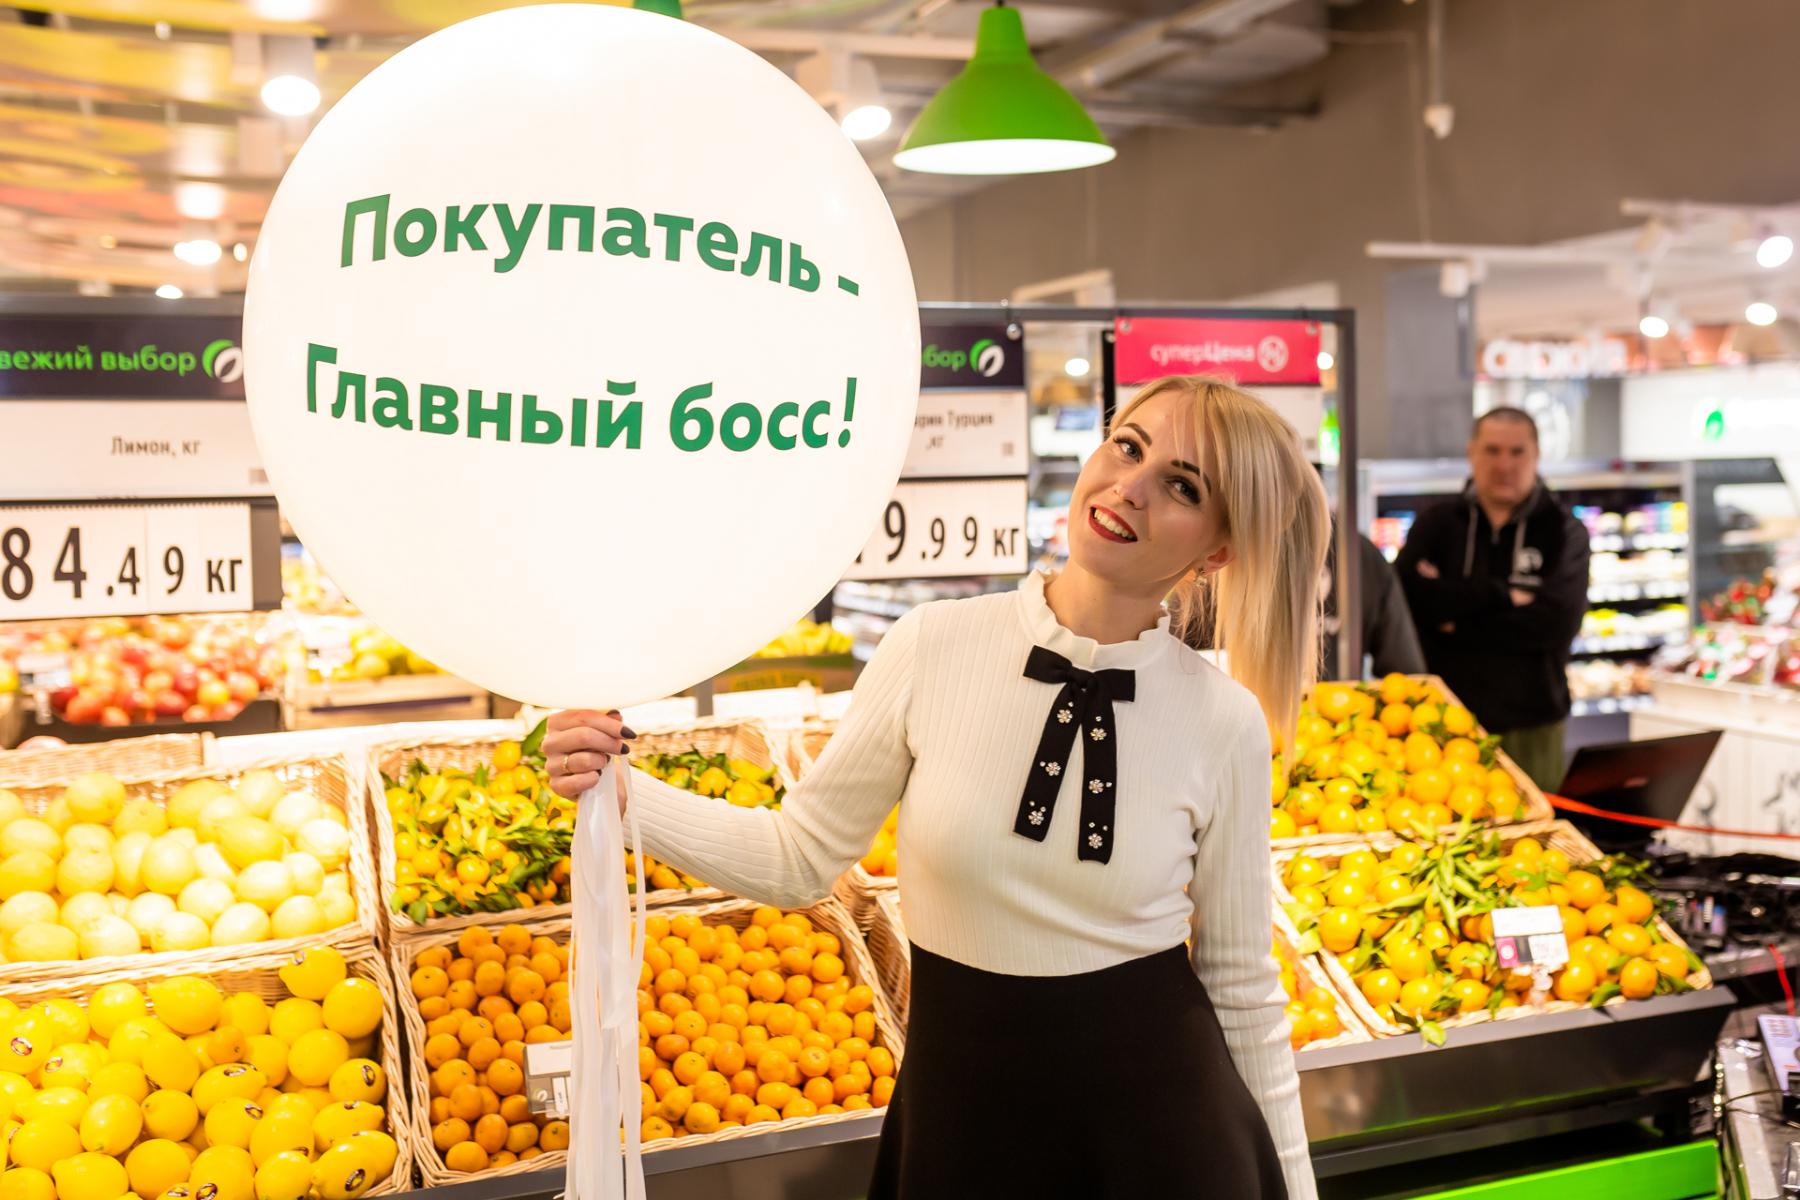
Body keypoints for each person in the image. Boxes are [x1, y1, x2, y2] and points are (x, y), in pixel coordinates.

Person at [547, 375, 1326, 1200]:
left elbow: (1244, 988)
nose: (1130, 487)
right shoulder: (932, 646)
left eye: (1182, 486)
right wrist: (621, 790)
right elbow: (797, 858)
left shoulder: (1224, 722)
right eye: (1127, 446)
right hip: (965, 1117)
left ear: (1217, 551)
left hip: (1165, 1140)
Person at [1396, 407, 1590, 790]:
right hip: (1443, 724)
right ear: (1471, 452)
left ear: (1536, 455)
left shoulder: (1564, 532)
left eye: (1517, 452)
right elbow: (1410, 603)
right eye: (1492, 450)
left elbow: (1555, 624)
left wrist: (1453, 623)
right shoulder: (1436, 524)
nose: (1504, 465)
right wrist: (1504, 596)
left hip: (1533, 725)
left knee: (1537, 823)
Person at [1321, 520, 1426, 680]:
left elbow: (1405, 671)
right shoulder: (1361, 551)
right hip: (1340, 693)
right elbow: (1406, 669)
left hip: (1340, 694)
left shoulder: (1361, 553)